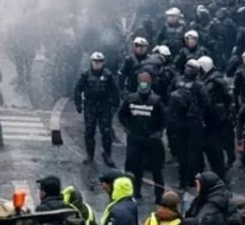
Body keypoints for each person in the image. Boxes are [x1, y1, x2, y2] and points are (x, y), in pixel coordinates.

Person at [118, 71, 166, 203]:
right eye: (142, 82)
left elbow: (164, 118)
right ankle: (134, 192)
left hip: (152, 139)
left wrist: (158, 132)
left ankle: (159, 196)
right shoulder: (131, 98)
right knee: (134, 166)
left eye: (146, 82)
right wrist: (127, 127)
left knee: (156, 169)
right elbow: (122, 115)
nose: (144, 85)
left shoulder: (156, 100)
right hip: (135, 138)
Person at [167, 59, 209, 191]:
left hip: (179, 121)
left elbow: (169, 94)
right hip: (193, 122)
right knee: (193, 153)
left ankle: (182, 181)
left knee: (182, 153)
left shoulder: (177, 81)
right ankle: (191, 180)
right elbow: (206, 103)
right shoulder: (199, 85)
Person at [74, 52, 118, 166]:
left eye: (99, 62)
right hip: (90, 106)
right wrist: (78, 104)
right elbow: (77, 89)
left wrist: (114, 105)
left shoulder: (108, 75)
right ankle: (90, 154)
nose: (97, 64)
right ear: (91, 62)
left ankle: (107, 154)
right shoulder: (85, 75)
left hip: (104, 106)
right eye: (95, 62)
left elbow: (115, 91)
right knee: (89, 131)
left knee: (106, 132)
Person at [198, 56, 231, 177]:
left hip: (215, 120)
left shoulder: (214, 81)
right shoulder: (211, 79)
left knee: (214, 149)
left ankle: (219, 174)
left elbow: (226, 98)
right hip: (211, 119)